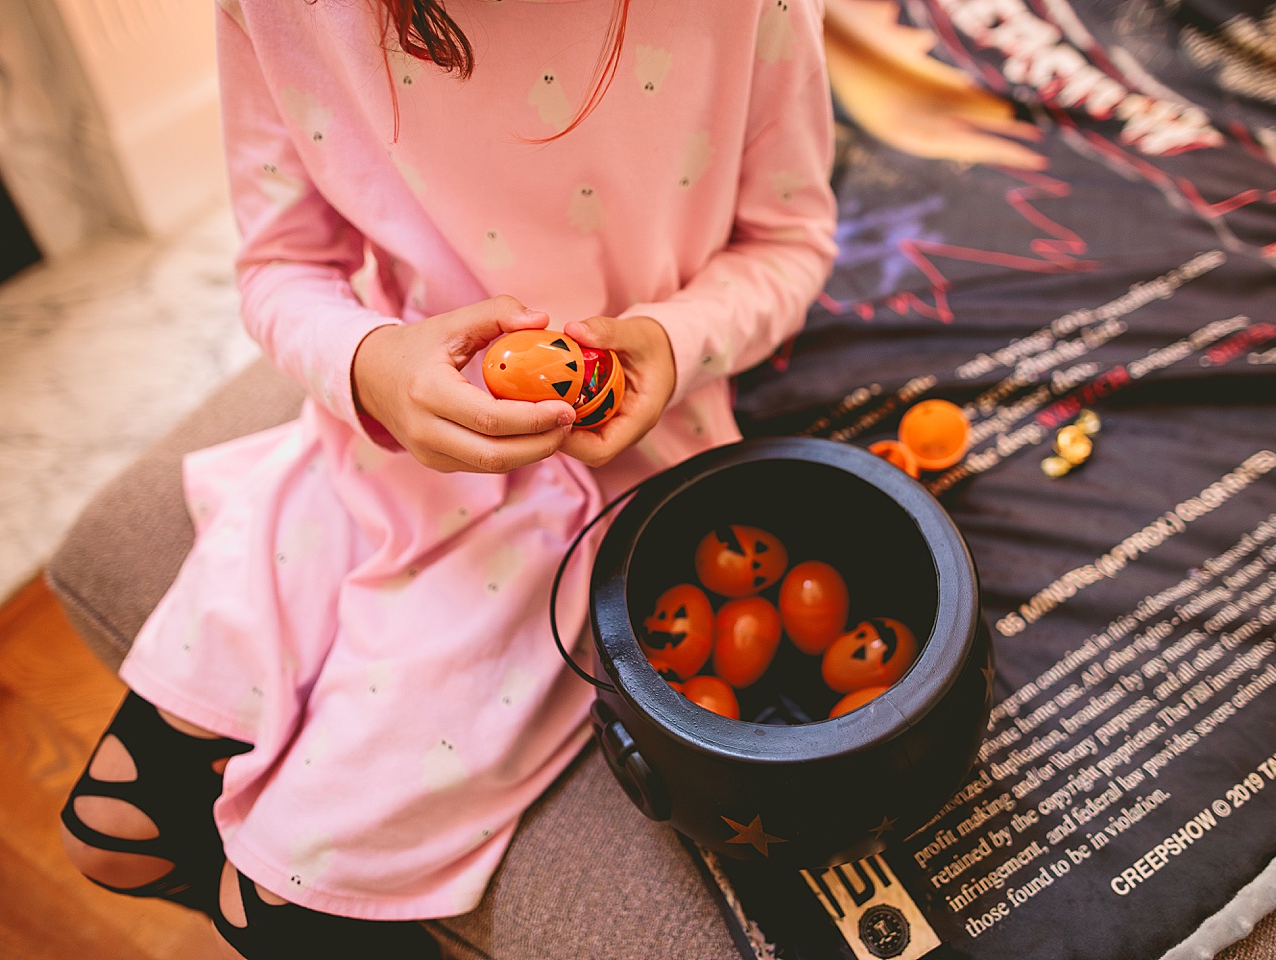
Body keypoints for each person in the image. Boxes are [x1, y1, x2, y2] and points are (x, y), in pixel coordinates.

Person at [59, 0, 838, 956]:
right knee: (114, 837)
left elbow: (791, 241)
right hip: (374, 459)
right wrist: (369, 364)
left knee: (264, 908)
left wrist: (675, 343)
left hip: (600, 486)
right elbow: (280, 265)